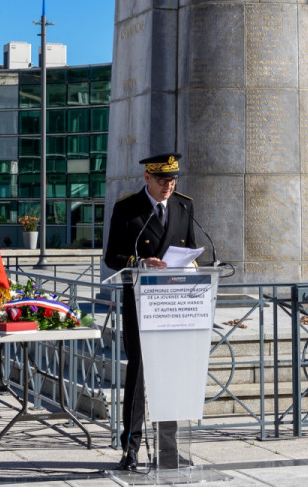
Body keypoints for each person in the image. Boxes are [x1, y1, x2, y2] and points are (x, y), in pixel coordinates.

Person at [104, 153, 199, 471]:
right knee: (140, 375)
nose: (168, 186)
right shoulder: (128, 209)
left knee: (171, 379)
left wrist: (196, 264)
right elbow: (112, 257)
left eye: (173, 180)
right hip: (142, 305)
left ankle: (168, 450)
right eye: (162, 180)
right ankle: (130, 448)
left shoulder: (184, 206)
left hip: (175, 304)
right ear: (147, 178)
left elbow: (192, 248)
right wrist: (139, 263)